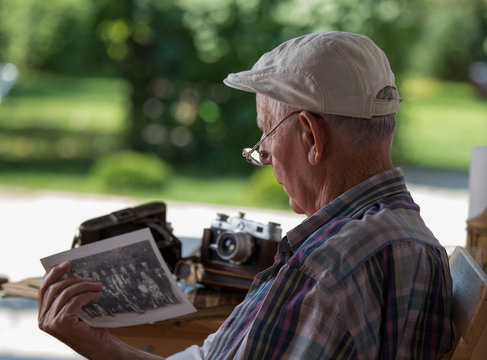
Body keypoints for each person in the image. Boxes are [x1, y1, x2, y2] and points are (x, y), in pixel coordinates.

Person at [38, 31, 455, 359]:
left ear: (311, 136)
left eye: (267, 132)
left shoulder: (325, 269)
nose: (264, 152)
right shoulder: (407, 236)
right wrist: (97, 343)